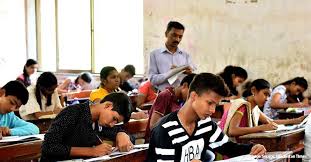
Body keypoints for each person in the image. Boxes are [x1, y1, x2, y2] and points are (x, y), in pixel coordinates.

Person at [146, 73, 266, 162]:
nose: (213, 110)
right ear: (193, 96)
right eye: (209, 103)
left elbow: (228, 147)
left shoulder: (206, 124)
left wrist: (252, 148)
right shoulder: (166, 129)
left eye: (216, 105)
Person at [41, 92, 134, 161]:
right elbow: (48, 147)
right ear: (108, 105)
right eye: (114, 119)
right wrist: (92, 151)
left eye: (116, 122)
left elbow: (119, 131)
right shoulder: (72, 112)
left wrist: (122, 134)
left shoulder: (100, 121)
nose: (111, 124)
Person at [220, 79, 305, 138]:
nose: (267, 98)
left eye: (269, 96)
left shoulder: (254, 108)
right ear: (253, 91)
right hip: (230, 147)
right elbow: (232, 131)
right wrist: (261, 128)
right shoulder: (242, 105)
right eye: (265, 94)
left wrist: (296, 120)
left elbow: (270, 121)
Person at [148, 21, 196, 91]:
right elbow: (153, 80)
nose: (177, 39)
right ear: (166, 34)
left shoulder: (186, 55)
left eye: (180, 36)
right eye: (174, 35)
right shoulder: (154, 54)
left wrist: (187, 72)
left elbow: (190, 76)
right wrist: (171, 73)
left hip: (182, 97)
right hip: (163, 95)